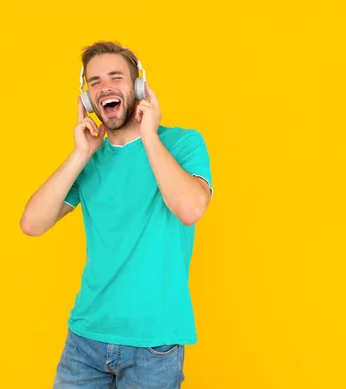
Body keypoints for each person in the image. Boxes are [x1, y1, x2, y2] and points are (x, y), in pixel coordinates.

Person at [20, 41, 213, 389]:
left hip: (153, 345)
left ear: (138, 86)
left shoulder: (183, 143)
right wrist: (80, 154)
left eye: (115, 77)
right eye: (94, 82)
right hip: (85, 339)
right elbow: (32, 224)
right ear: (87, 98)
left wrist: (149, 137)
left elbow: (189, 209)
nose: (105, 87)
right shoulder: (90, 161)